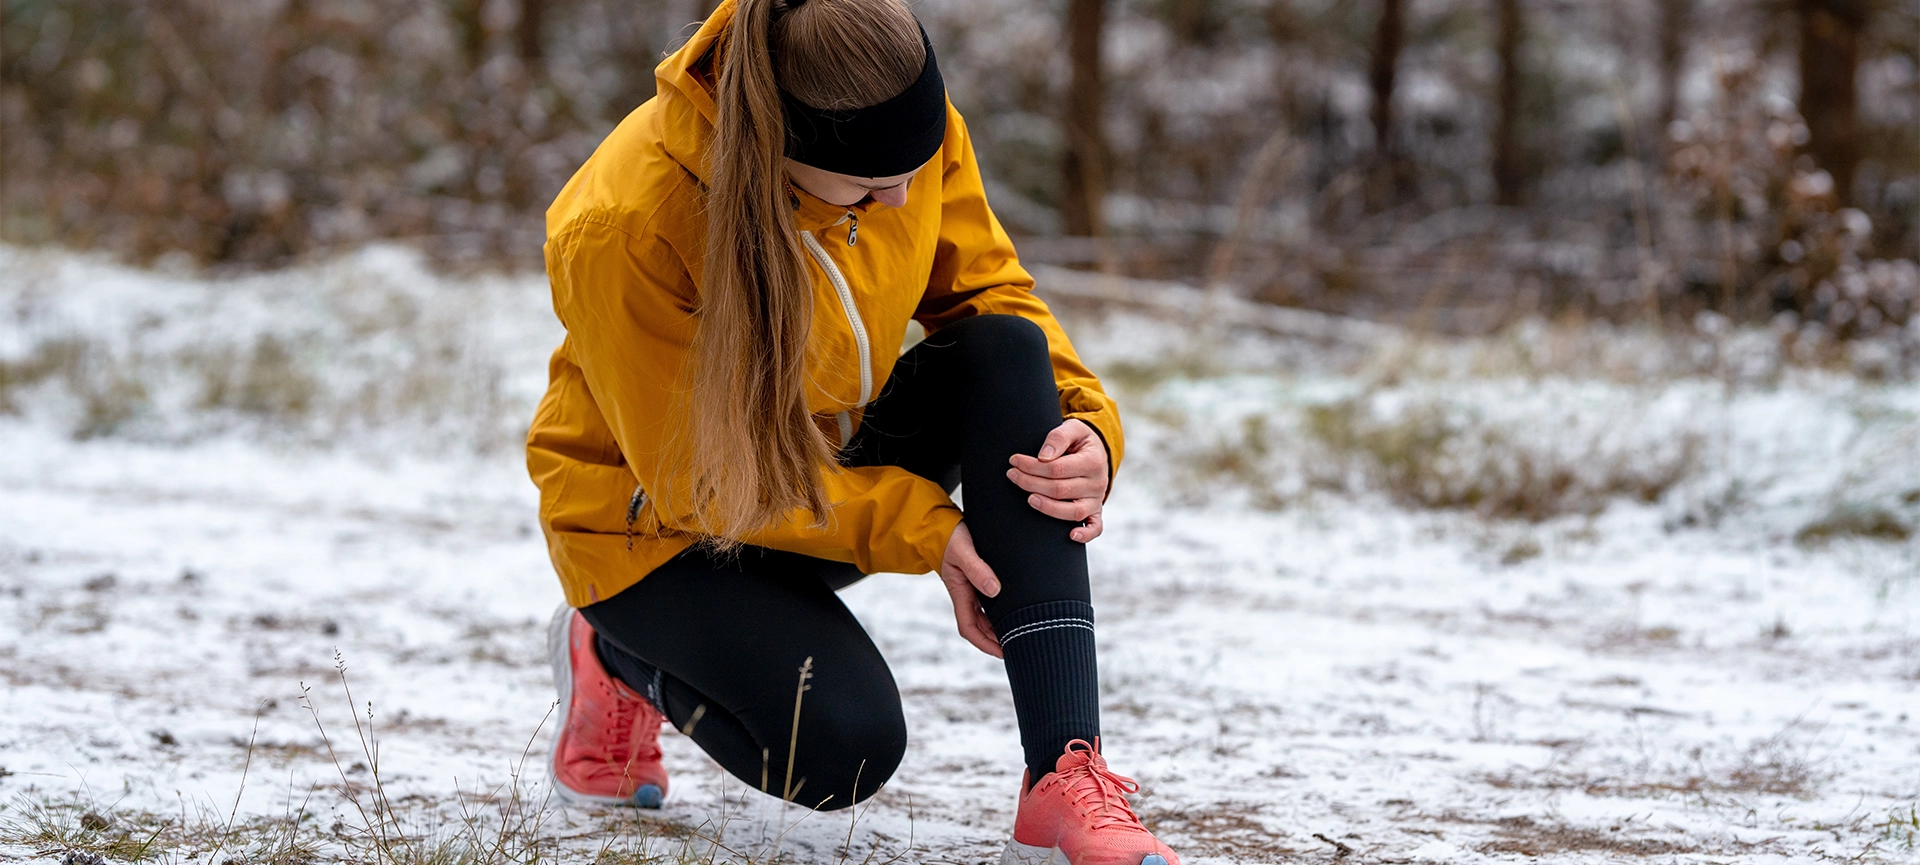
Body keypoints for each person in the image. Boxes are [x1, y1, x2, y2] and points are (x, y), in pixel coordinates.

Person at [525, 1, 1179, 863]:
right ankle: (612, 652)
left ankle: (1062, 778)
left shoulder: (903, 126)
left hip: (815, 475)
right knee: (842, 748)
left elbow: (990, 291)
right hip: (658, 528)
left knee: (1004, 350)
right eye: (871, 188)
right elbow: (697, 480)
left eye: (914, 168)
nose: (904, 195)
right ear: (779, 149)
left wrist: (1088, 430)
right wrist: (924, 527)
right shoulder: (626, 222)